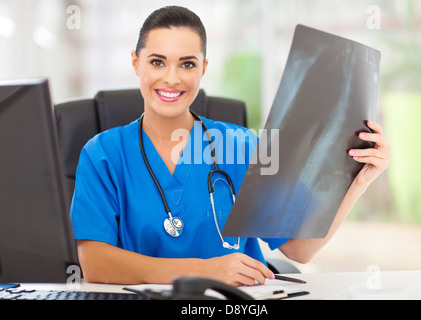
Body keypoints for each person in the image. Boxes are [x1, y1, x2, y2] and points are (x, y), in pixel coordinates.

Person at [70, 6, 391, 286]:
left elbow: (299, 249)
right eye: (157, 62)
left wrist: (360, 182)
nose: (171, 78)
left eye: (187, 64)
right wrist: (203, 271)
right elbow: (96, 264)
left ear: (203, 69)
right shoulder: (103, 155)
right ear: (136, 63)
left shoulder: (242, 147)